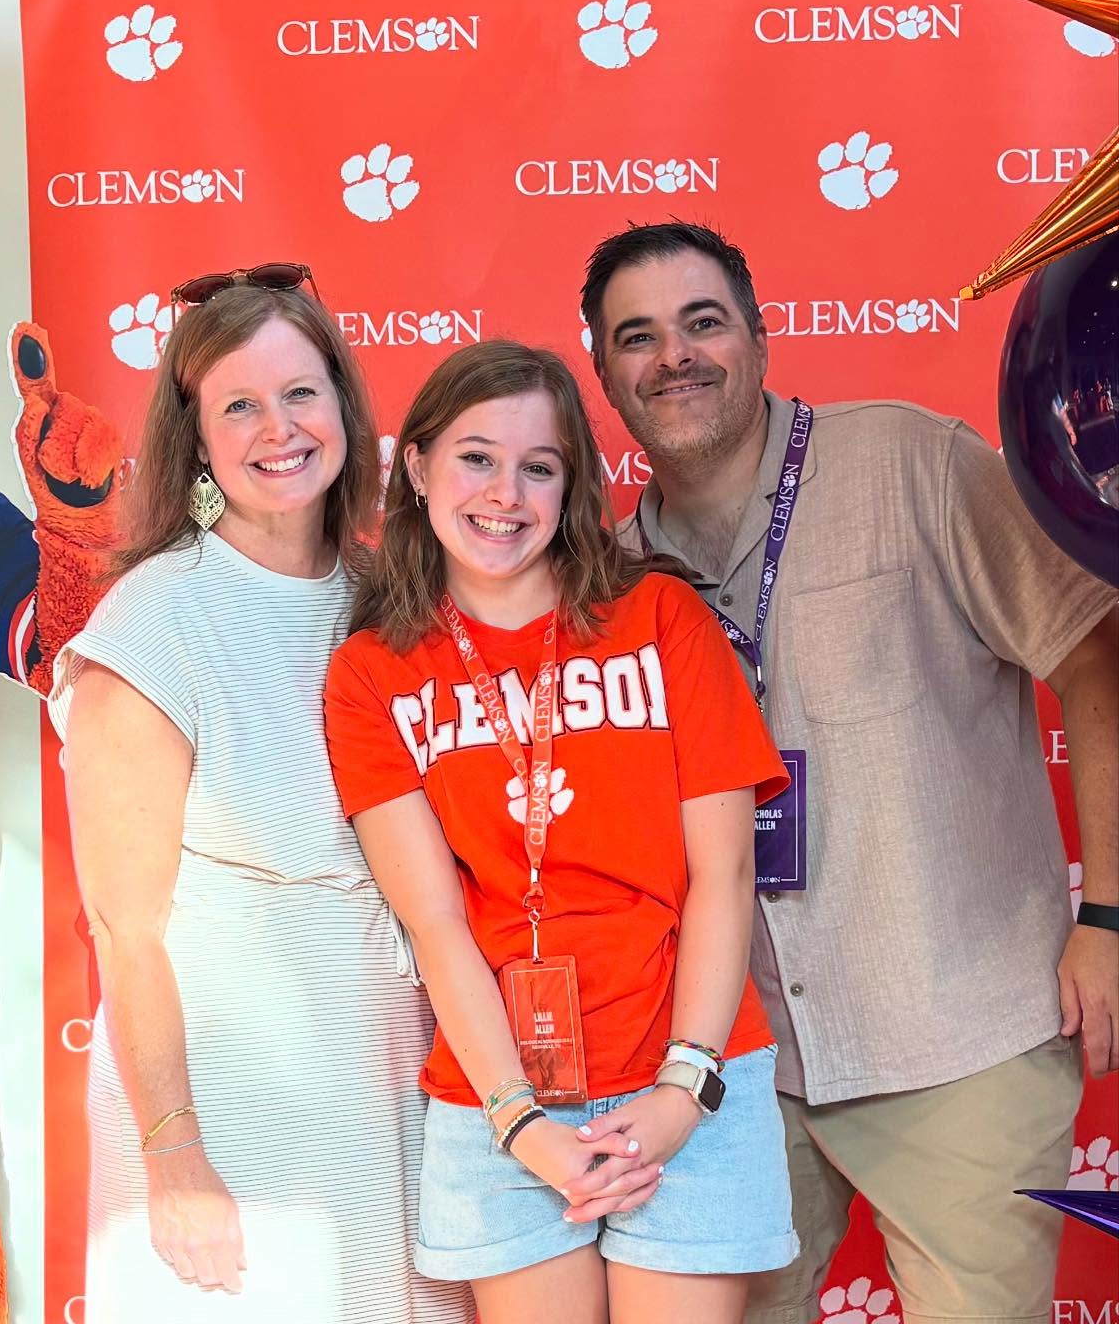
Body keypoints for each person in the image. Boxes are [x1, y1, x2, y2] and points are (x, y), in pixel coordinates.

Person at [580, 221, 1119, 1324]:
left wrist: (1109, 915)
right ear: (604, 375)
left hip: (961, 1039)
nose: (673, 355)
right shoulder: (610, 582)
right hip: (734, 1074)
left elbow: (1098, 663)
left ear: (761, 336)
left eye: (702, 322)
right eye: (637, 338)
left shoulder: (912, 462)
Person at [324, 341, 798, 1324]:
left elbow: (725, 874)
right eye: (476, 457)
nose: (507, 494)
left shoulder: (661, 621)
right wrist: (519, 1121)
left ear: (572, 484)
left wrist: (684, 1089)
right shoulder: (373, 674)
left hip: (687, 1075)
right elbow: (437, 922)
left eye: (539, 466)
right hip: (501, 1102)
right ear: (415, 467)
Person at [49, 266, 472, 1323]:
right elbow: (126, 929)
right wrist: (175, 1162)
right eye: (238, 404)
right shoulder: (153, 627)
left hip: (400, 1096)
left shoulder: (392, 605)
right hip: (237, 1124)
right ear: (195, 440)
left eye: (300, 394)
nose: (277, 427)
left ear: (343, 407)